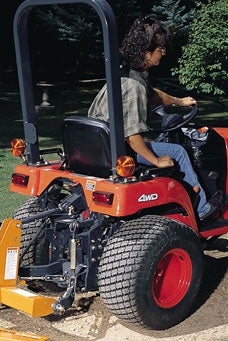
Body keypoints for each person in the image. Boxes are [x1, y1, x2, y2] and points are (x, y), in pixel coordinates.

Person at [88, 16, 220, 221]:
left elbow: (155, 96)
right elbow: (132, 135)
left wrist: (179, 101)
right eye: (160, 48)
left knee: (158, 142)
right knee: (178, 151)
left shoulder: (126, 76)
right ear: (147, 53)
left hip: (100, 147)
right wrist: (156, 161)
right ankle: (202, 209)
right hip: (119, 150)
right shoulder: (134, 88)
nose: (164, 52)